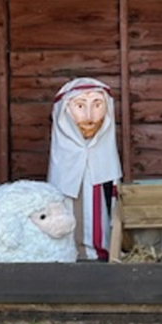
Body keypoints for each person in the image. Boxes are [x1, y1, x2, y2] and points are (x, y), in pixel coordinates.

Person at [47, 77, 122, 261]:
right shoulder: (62, 153)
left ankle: (101, 248)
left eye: (97, 105)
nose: (89, 116)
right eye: (80, 106)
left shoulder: (105, 149)